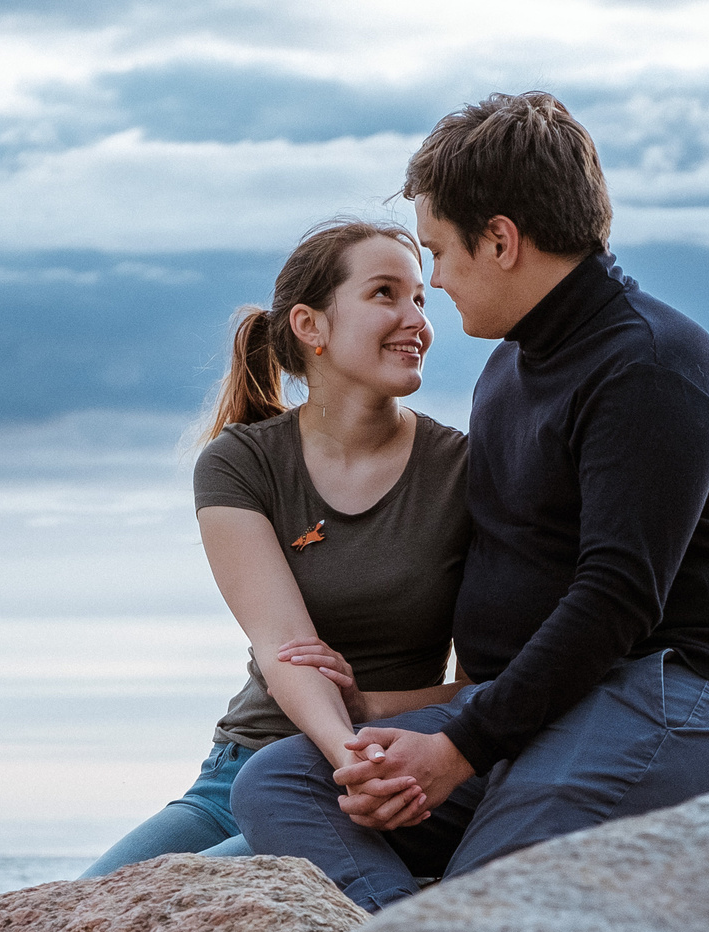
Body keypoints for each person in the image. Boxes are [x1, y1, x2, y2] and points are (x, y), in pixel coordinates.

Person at [230, 91, 709, 911]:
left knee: (484, 898)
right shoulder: (512, 370)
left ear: (501, 240)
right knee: (285, 779)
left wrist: (459, 746)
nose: (438, 284)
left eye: (442, 254)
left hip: (676, 691)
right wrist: (412, 716)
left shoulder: (650, 366)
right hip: (534, 706)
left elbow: (618, 598)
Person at [80, 219, 470, 878]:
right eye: (385, 294)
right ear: (309, 326)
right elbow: (283, 647)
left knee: (191, 911)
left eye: (420, 300)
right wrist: (345, 750)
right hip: (243, 773)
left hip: (384, 774)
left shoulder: (465, 470)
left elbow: (486, 683)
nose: (416, 320)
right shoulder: (240, 463)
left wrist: (371, 729)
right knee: (72, 920)